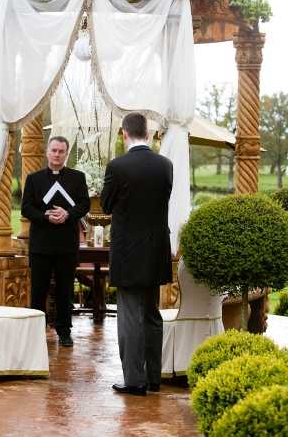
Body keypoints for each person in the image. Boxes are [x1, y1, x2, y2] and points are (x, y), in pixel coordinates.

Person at [101, 113, 173, 396]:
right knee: (152, 314)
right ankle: (154, 378)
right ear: (148, 133)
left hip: (128, 253)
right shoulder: (165, 165)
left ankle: (134, 381)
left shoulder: (117, 166)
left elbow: (106, 205)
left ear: (124, 133)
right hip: (156, 250)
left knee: (130, 316)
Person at [22, 136, 90, 347]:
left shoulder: (77, 178)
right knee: (38, 290)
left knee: (65, 290)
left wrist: (68, 214)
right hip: (41, 244)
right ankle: (35, 331)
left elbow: (85, 204)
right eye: (54, 150)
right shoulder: (34, 179)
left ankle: (64, 331)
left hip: (66, 244)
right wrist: (46, 217)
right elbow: (26, 207)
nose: (57, 154)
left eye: (61, 151)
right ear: (47, 152)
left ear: (66, 154)